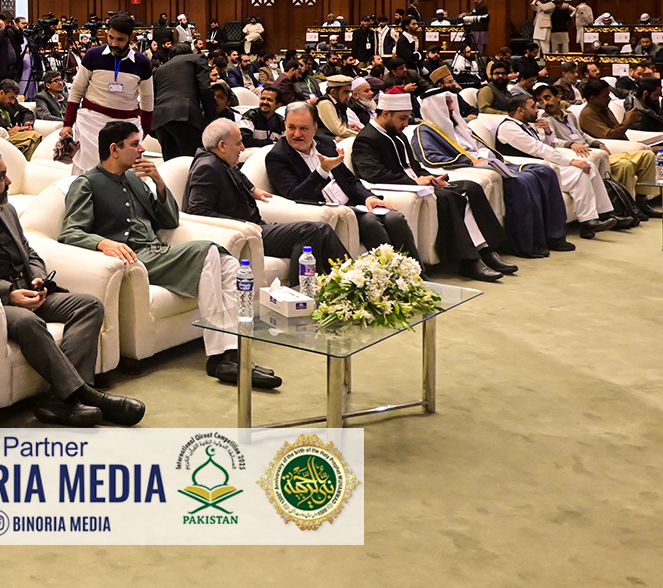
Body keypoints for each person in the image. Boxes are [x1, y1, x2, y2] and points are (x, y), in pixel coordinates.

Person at [0, 147, 143, 427]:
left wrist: (39, 279)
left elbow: (29, 252)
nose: (9, 181)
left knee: (89, 305)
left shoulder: (5, 208)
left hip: (31, 290)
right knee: (28, 321)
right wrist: (8, 293)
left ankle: (60, 400)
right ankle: (86, 394)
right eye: (2, 176)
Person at [62, 120, 276, 389]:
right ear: (114, 149)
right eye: (134, 144)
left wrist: (159, 183)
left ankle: (232, 352)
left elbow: (170, 220)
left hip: (157, 252)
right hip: (134, 258)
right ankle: (217, 357)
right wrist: (102, 243)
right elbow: (70, 232)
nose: (142, 149)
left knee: (229, 264)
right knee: (208, 252)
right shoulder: (87, 183)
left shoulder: (134, 179)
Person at [348, 89, 509, 280]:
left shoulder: (397, 134)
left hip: (416, 183)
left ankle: (487, 248)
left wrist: (432, 178)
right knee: (448, 197)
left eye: (407, 118)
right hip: (400, 187)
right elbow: (373, 174)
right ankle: (468, 261)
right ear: (385, 113)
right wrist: (415, 182)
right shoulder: (366, 138)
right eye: (402, 118)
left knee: (471, 187)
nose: (406, 124)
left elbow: (414, 167)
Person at [412, 91, 572, 257]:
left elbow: (479, 145)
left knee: (546, 171)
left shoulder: (459, 125)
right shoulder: (425, 131)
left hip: (490, 161)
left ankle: (554, 237)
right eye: (447, 104)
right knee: (523, 180)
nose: (452, 107)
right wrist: (470, 162)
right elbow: (430, 158)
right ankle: (526, 244)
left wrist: (484, 155)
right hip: (471, 166)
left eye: (451, 102)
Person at [186, 118, 350, 277]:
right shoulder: (207, 168)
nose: (243, 148)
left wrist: (252, 189)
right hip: (244, 233)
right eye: (238, 143)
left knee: (323, 229)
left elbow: (236, 172)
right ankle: (301, 289)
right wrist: (242, 224)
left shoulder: (217, 159)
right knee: (308, 231)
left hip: (254, 227)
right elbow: (197, 211)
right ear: (222, 146)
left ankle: (353, 280)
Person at [264, 103, 419, 259]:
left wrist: (368, 197)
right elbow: (295, 195)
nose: (297, 134)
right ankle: (388, 272)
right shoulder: (277, 157)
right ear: (285, 125)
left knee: (395, 218)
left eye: (304, 128)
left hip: (354, 204)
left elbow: (349, 179)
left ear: (315, 127)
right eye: (291, 127)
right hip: (330, 210)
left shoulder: (325, 144)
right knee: (370, 221)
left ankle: (414, 270)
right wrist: (322, 171)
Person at [492, 94, 626, 236]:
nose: (537, 110)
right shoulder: (508, 128)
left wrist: (548, 132)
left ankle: (605, 214)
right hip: (528, 170)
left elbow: (549, 146)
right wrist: (571, 161)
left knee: (589, 166)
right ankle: (588, 221)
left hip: (543, 165)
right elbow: (537, 149)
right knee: (580, 171)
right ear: (520, 110)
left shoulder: (526, 126)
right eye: (533, 107)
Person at [534, 84, 663, 216]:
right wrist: (571, 144)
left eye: (547, 98)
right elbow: (550, 142)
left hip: (593, 150)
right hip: (585, 155)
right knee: (625, 165)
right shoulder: (544, 121)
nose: (545, 103)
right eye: (540, 101)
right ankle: (630, 209)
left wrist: (598, 143)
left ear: (558, 97)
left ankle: (642, 203)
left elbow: (582, 134)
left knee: (647, 155)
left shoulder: (570, 115)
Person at [61, 14, 154, 175]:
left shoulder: (143, 63)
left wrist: (145, 129)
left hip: (127, 125)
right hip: (91, 124)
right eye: (111, 37)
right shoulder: (93, 55)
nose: (114, 43)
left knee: (128, 173)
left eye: (120, 39)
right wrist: (67, 123)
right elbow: (77, 90)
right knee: (85, 172)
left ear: (131, 37)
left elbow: (147, 98)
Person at [150, 34, 210, 161]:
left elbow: (151, 99)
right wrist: (211, 117)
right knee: (195, 162)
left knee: (172, 164)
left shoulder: (159, 70)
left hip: (160, 120)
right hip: (184, 115)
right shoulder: (197, 58)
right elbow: (205, 89)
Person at [0, 79, 42, 160]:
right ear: (2, 92)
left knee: (35, 142)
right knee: (34, 137)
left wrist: (27, 122)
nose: (12, 101)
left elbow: (27, 112)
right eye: (11, 97)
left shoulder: (12, 103)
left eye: (14, 98)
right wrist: (8, 132)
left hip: (16, 136)